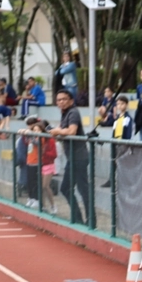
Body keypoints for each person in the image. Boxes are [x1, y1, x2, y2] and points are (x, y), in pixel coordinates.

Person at [48, 89, 90, 224]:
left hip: (79, 157)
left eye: (64, 99)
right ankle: (81, 219)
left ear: (71, 101)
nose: (61, 102)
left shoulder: (73, 112)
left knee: (76, 189)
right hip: (73, 157)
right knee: (71, 189)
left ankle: (88, 220)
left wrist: (58, 131)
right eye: (59, 100)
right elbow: (62, 132)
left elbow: (72, 131)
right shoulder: (65, 113)